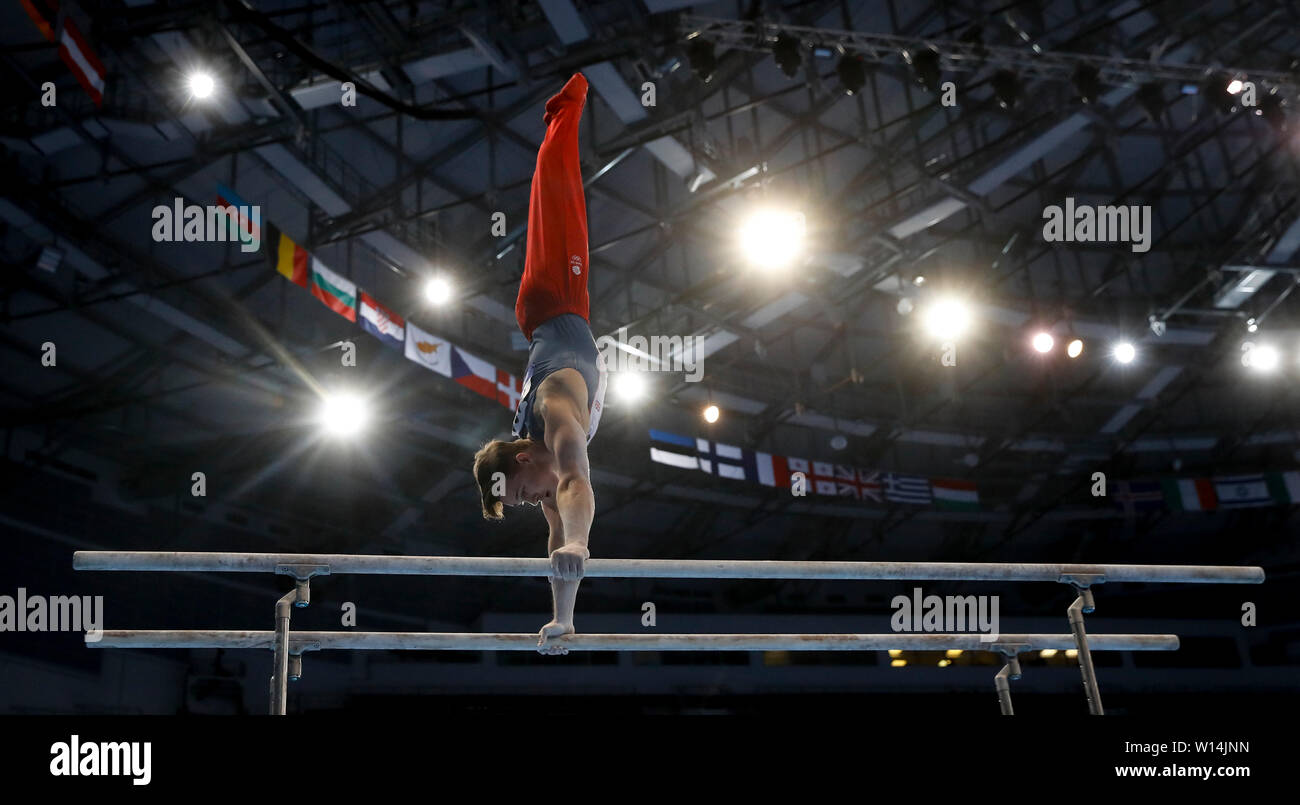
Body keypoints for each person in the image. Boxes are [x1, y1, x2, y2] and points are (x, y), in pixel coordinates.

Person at [471, 72, 607, 656]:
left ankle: (564, 108)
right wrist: (563, 620)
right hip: (547, 317)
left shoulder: (555, 418)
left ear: (524, 457)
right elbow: (559, 538)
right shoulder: (545, 477)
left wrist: (580, 543)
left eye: (520, 491)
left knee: (559, 191)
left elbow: (579, 483)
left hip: (554, 299)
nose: (530, 501)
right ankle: (560, 116)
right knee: (558, 195)